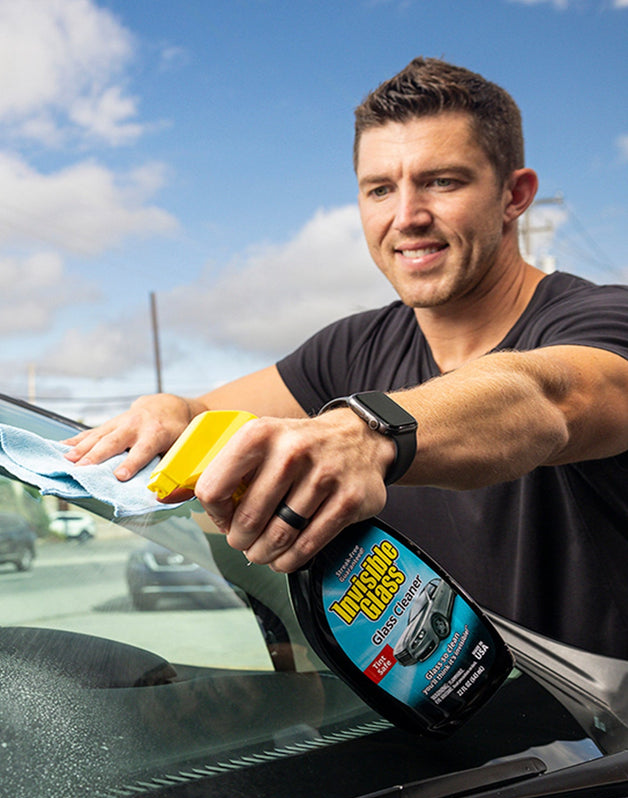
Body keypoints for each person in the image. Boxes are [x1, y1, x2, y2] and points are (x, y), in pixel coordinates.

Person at [64, 57, 628, 658]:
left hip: (596, 738)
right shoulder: (349, 349)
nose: (406, 217)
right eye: (380, 189)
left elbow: (548, 397)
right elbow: (202, 414)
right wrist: (170, 408)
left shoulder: (600, 321)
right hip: (437, 737)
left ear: (515, 196)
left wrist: (367, 433)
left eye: (443, 182)